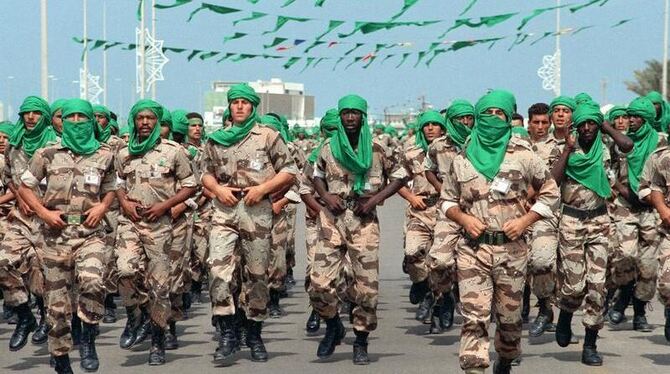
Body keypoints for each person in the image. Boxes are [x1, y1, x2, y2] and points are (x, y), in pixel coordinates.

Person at [442, 90, 559, 374]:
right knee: (474, 318)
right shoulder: (462, 157)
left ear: (508, 118)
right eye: (487, 113)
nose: (493, 119)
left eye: (500, 114)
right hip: (473, 251)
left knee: (509, 321)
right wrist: (463, 218)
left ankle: (505, 360)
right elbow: (446, 200)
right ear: (477, 118)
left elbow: (550, 193)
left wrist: (525, 221)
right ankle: (474, 368)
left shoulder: (524, 155)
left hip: (512, 251)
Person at [200, 83, 297, 366]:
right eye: (235, 102)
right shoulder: (216, 139)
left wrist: (264, 189)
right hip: (224, 210)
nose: (239, 106)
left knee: (256, 275)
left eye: (245, 102)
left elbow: (289, 170)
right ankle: (227, 332)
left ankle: (254, 333)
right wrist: (217, 190)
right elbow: (204, 173)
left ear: (253, 106)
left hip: (256, 210)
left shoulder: (268, 136)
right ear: (229, 107)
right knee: (218, 271)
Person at [19, 98, 116, 373]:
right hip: (54, 234)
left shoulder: (104, 154)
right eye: (70, 117)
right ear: (61, 122)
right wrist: (42, 212)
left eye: (82, 118)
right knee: (57, 306)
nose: (76, 122)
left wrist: (103, 205)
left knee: (93, 281)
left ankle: (88, 336)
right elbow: (25, 186)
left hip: (90, 232)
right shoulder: (47, 153)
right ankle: (61, 358)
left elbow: (112, 187)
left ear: (90, 121)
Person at [310, 94, 406, 365]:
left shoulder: (377, 148)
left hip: (364, 223)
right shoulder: (328, 147)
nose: (350, 117)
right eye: (346, 113)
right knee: (318, 285)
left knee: (366, 289)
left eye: (355, 113)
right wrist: (327, 197)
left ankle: (361, 340)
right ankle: (332, 326)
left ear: (363, 116)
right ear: (339, 117)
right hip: (332, 220)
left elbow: (400, 175)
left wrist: (375, 199)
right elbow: (315, 176)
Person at [550, 99, 633, 366]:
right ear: (574, 127)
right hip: (571, 222)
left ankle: (590, 343)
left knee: (597, 287)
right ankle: (565, 313)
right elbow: (552, 180)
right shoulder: (563, 147)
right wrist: (567, 149)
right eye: (582, 124)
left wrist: (606, 125)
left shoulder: (606, 146)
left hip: (599, 222)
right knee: (574, 286)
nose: (587, 128)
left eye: (591, 124)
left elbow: (627, 145)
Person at [115, 99, 196, 365]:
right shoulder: (124, 151)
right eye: (140, 118)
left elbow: (189, 185)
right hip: (130, 223)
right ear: (134, 120)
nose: (145, 122)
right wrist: (124, 201)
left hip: (160, 226)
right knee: (125, 270)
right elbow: (117, 182)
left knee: (161, 287)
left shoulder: (173, 151)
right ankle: (136, 315)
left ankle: (158, 341)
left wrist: (165, 205)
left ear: (158, 122)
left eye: (150, 118)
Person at [0, 96, 58, 352]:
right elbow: (10, 177)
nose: (31, 117)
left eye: (36, 112)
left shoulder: (57, 145)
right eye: (26, 113)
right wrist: (19, 199)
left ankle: (48, 316)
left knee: (42, 273)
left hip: (50, 217)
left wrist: (37, 205)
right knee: (4, 262)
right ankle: (24, 316)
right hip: (22, 217)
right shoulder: (14, 146)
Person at [608, 97, 667, 331]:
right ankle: (622, 296)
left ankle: (640, 311)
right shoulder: (620, 142)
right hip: (625, 205)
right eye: (629, 115)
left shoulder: (661, 141)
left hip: (653, 207)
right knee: (625, 255)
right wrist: (621, 188)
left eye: (636, 116)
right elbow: (609, 170)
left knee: (649, 265)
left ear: (647, 119)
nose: (630, 120)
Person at [397, 110, 446, 332]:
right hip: (419, 209)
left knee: (441, 262)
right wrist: (411, 197)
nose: (430, 128)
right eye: (427, 125)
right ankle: (423, 286)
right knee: (413, 254)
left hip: (445, 210)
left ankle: (437, 309)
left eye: (436, 124)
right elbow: (396, 179)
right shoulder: (411, 152)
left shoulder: (451, 151)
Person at [525, 103, 561, 338]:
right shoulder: (515, 146)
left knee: (541, 262)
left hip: (543, 214)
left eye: (544, 123)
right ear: (528, 123)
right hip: (512, 214)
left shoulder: (558, 149)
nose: (540, 127)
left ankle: (545, 305)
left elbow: (555, 181)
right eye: (535, 122)